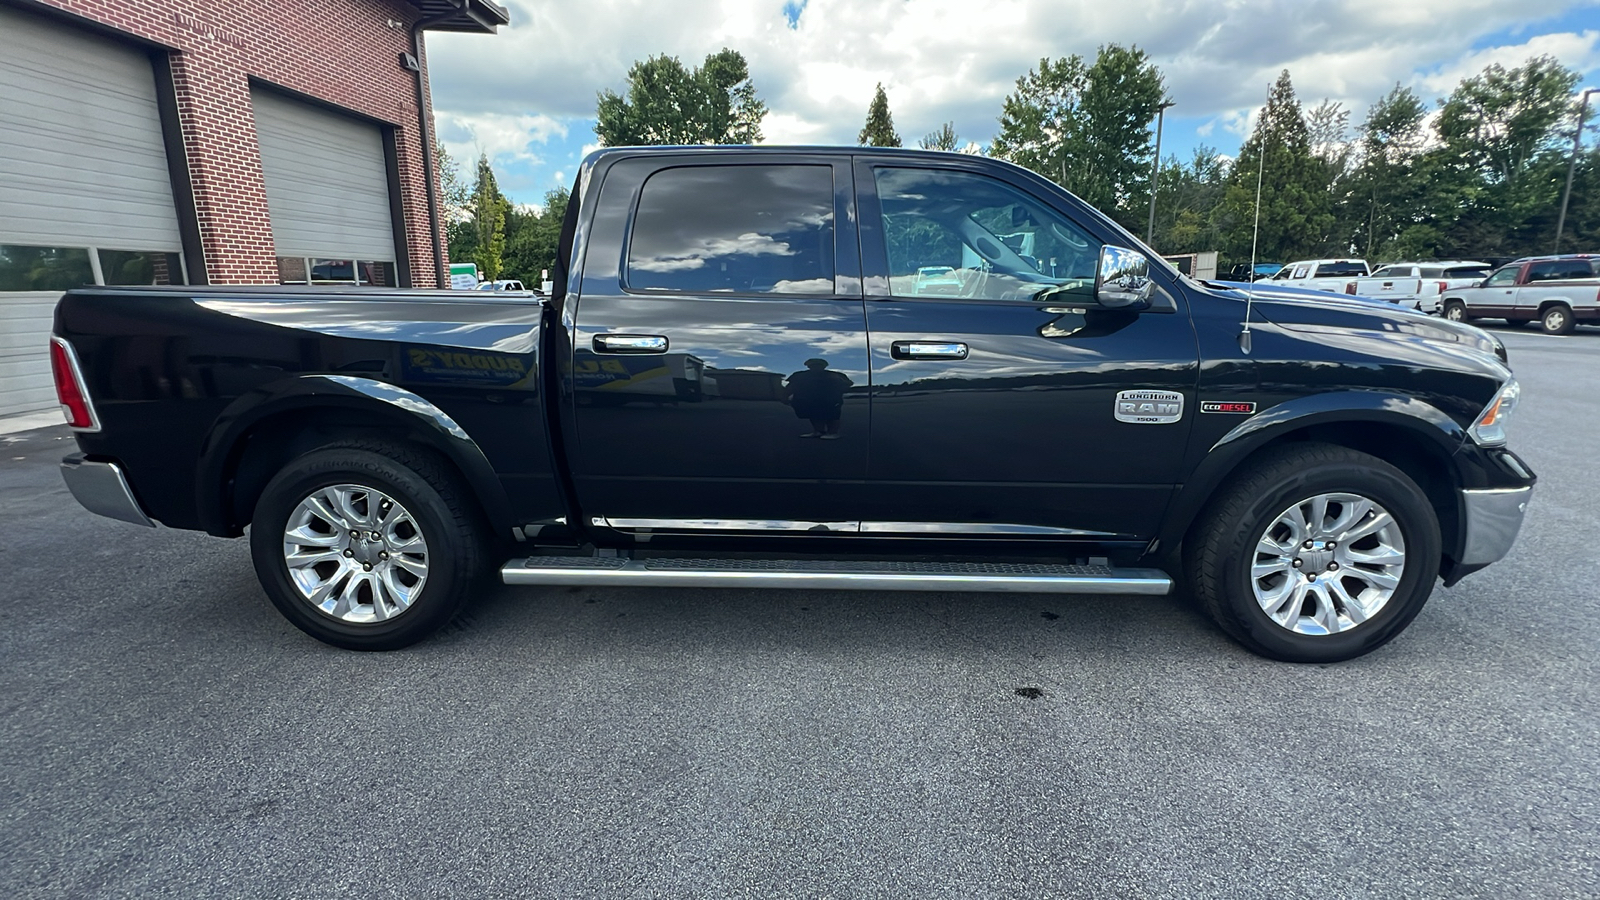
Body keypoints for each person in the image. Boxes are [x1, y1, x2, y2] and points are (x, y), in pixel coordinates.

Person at [783, 358, 852, 439]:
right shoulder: (799, 375)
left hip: (831, 399)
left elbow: (848, 384)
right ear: (808, 366)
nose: (815, 367)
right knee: (813, 414)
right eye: (812, 365)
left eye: (818, 365)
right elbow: (791, 386)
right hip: (808, 399)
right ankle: (818, 431)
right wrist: (785, 396)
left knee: (832, 415)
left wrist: (840, 386)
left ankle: (833, 432)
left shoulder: (834, 375)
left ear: (824, 366)